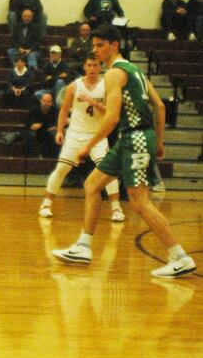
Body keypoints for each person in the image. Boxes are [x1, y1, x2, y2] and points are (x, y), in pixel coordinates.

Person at [52, 25, 197, 278]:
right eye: (94, 45)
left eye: (100, 45)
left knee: (140, 201)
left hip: (135, 138)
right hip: (134, 138)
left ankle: (180, 257)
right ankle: (84, 246)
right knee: (92, 184)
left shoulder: (114, 74)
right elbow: (160, 106)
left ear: (114, 45)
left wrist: (87, 147)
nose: (95, 50)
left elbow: (111, 118)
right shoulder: (136, 71)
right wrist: (159, 142)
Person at [38, 54, 125, 221]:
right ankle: (47, 203)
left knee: (107, 171)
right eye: (89, 65)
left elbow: (111, 112)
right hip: (76, 134)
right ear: (85, 67)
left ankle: (116, 208)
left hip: (97, 135)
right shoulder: (74, 86)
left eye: (95, 65)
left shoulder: (107, 86)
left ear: (100, 67)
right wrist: (59, 131)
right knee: (62, 169)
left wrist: (94, 102)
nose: (92, 69)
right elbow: (63, 110)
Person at [23, 93, 59, 158]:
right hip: (37, 131)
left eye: (48, 101)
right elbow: (28, 123)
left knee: (55, 134)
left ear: (51, 103)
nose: (45, 103)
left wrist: (56, 127)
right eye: (43, 100)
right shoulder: (34, 110)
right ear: (41, 101)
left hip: (49, 131)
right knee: (30, 134)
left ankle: (53, 157)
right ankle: (32, 157)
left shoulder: (55, 110)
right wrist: (32, 126)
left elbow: (58, 122)